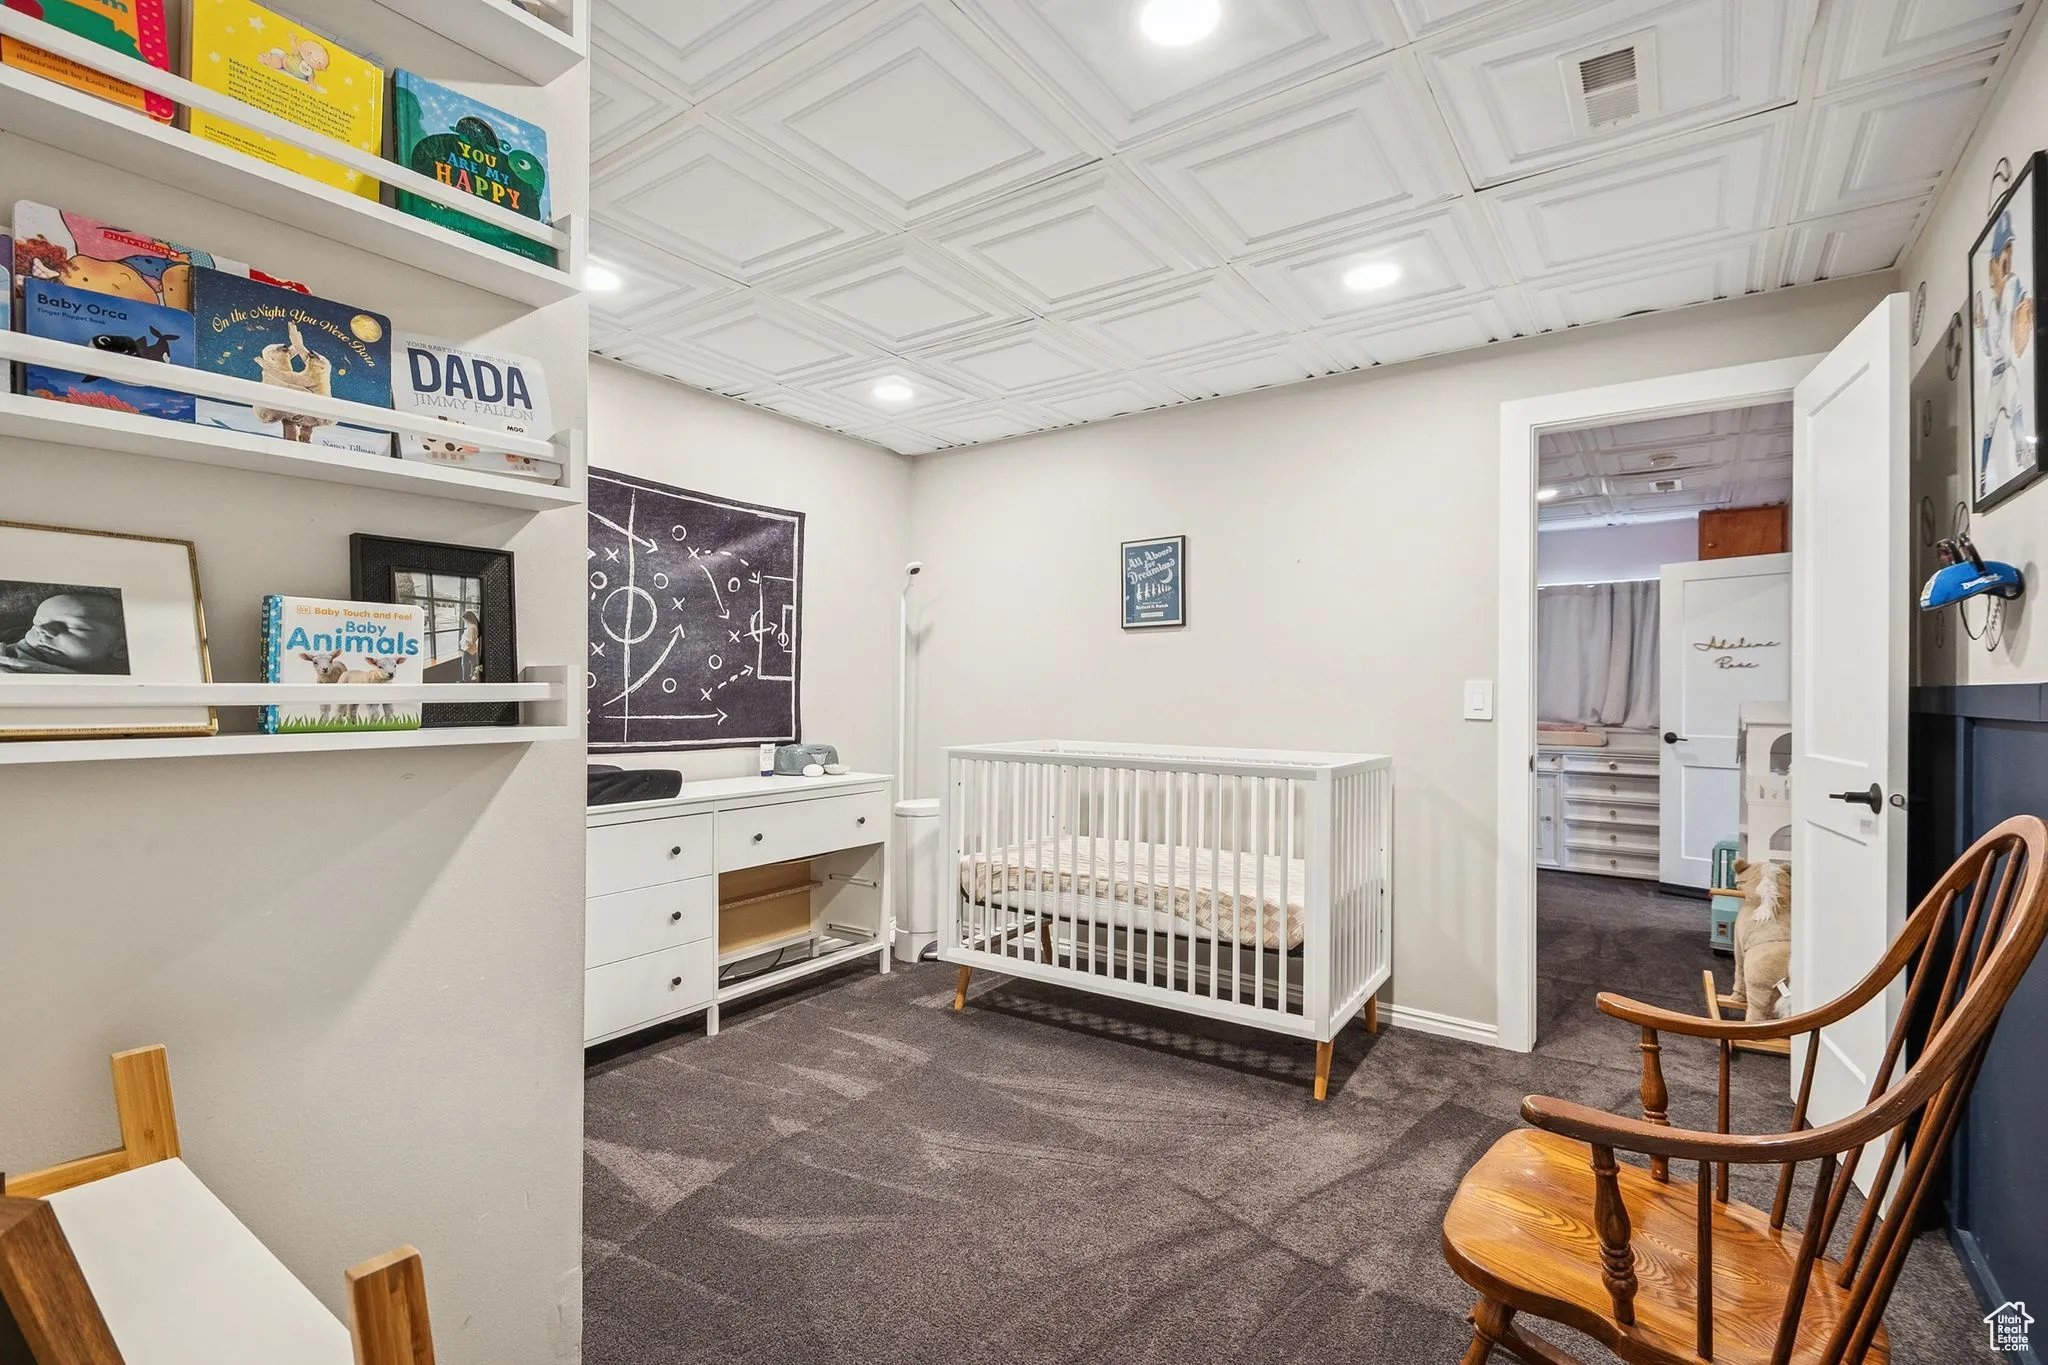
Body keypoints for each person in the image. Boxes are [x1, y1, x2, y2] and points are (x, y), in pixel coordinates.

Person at [1974, 211, 2035, 497]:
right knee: (1986, 426)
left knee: (2016, 405)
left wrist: (2027, 312)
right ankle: (1984, 476)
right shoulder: (1991, 299)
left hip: (2008, 368)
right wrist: (1981, 325)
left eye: (2008, 251)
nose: (2006, 259)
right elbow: (1986, 346)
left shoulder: (2014, 287)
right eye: (2002, 253)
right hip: (1995, 374)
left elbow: (2023, 324)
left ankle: (2025, 454)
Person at [0, 591, 129, 675]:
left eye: (76, 627)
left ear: (121, 647)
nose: (43, 630)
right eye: (37, 622)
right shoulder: (9, 654)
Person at [459, 609, 481, 683]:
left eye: (465, 620)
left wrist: (464, 639)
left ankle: (466, 680)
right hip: (472, 649)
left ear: (468, 619)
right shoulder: (474, 626)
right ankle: (471, 678)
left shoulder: (472, 627)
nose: (465, 622)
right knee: (474, 664)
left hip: (468, 649)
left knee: (465, 665)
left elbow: (471, 640)